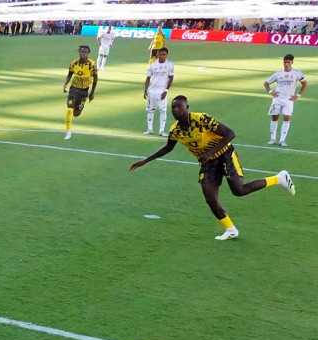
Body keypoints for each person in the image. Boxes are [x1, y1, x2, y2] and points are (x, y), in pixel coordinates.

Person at [128, 95, 295, 241]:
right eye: (173, 107)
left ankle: (279, 179)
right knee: (210, 196)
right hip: (207, 163)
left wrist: (209, 154)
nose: (176, 109)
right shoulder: (175, 130)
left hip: (225, 154)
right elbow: (168, 147)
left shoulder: (202, 119)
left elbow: (230, 134)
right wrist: (145, 160)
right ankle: (230, 229)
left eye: (179, 106)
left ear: (187, 108)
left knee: (239, 190)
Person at [264, 54, 306, 146]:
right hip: (277, 99)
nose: (286, 64)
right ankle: (272, 138)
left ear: (292, 62)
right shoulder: (278, 73)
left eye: (288, 62)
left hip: (289, 100)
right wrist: (271, 92)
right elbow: (266, 83)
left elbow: (305, 84)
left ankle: (282, 140)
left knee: (287, 117)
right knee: (274, 117)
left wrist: (297, 95)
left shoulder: (297, 73)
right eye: (285, 62)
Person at [62, 45, 98, 140]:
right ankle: (68, 132)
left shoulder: (91, 64)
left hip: (84, 91)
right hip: (74, 89)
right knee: (69, 109)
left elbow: (95, 78)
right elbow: (69, 74)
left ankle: (77, 107)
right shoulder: (74, 63)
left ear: (88, 53)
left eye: (85, 52)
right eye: (82, 52)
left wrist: (92, 93)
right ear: (79, 52)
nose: (83, 54)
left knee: (76, 113)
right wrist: (65, 84)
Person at [143, 48, 174, 135]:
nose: (162, 56)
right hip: (151, 91)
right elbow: (148, 78)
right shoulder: (153, 65)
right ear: (158, 54)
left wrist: (166, 90)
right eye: (161, 54)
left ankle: (161, 131)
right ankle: (149, 129)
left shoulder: (170, 65)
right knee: (150, 110)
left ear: (166, 55)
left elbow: (171, 77)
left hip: (162, 92)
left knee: (163, 110)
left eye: (164, 55)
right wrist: (145, 90)